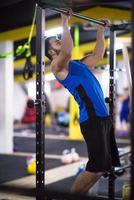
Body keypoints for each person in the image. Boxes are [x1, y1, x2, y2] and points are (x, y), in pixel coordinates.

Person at [45, 9, 120, 194]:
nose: (60, 41)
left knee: (101, 168)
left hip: (103, 118)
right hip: (92, 119)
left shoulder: (78, 63)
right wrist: (64, 23)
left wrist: (100, 32)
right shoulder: (57, 66)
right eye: (56, 42)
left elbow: (98, 54)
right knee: (95, 168)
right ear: (51, 51)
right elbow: (67, 51)